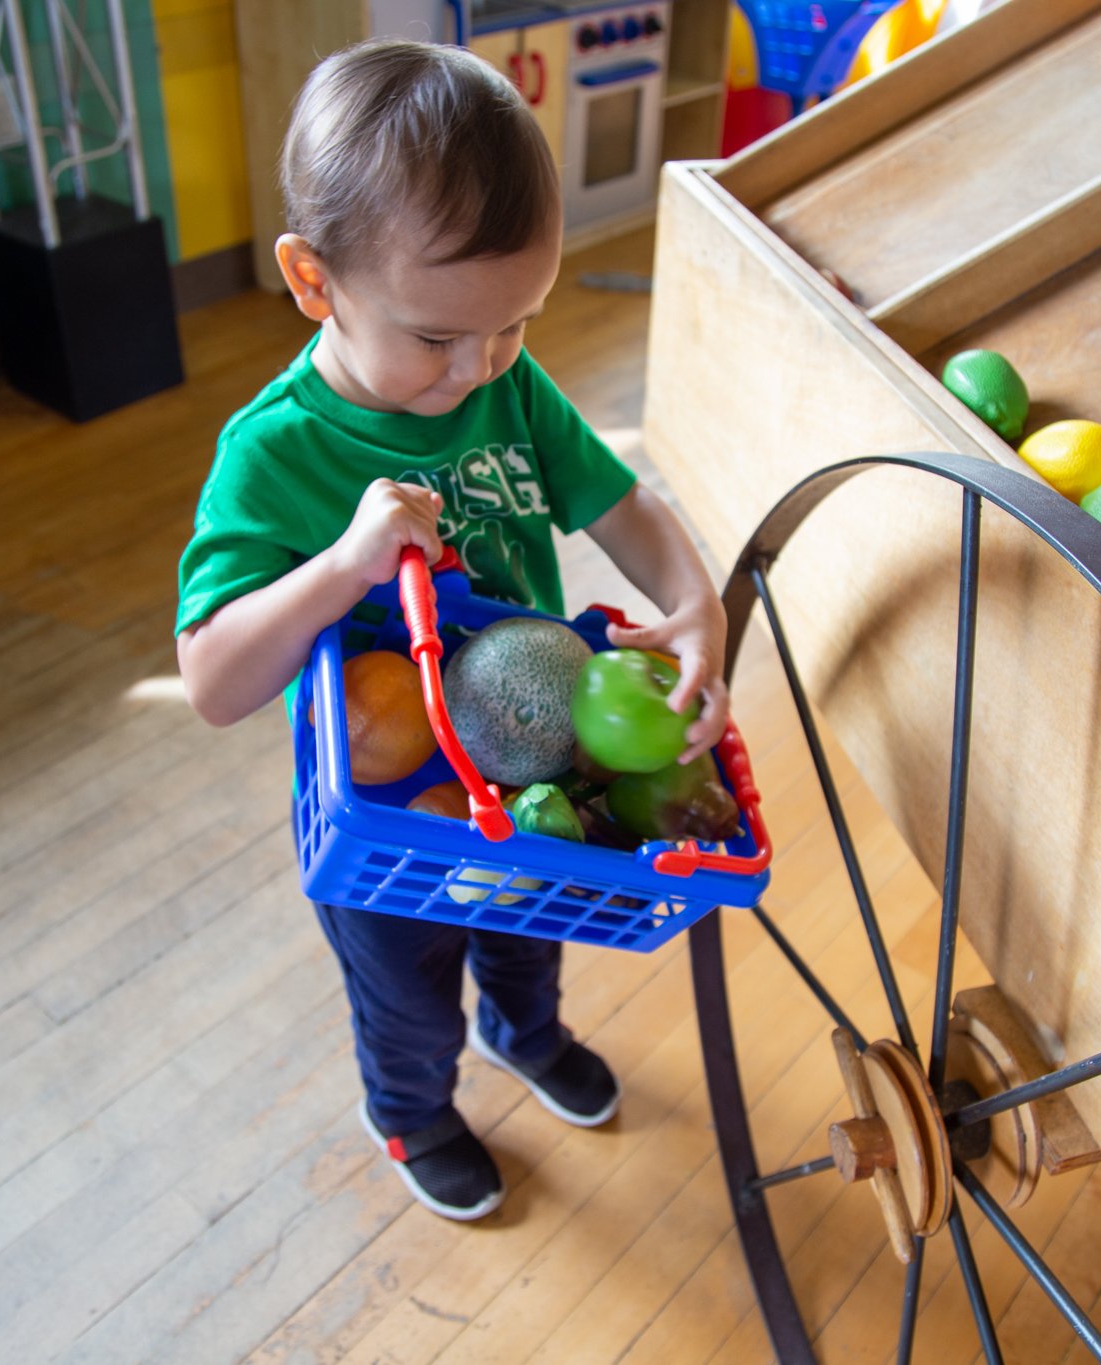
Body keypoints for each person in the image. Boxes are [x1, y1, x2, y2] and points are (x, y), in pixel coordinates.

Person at [175, 38, 728, 1221]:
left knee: (531, 928)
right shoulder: (274, 453)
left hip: (526, 760)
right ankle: (412, 1109)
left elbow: (623, 505)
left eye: (515, 323)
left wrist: (696, 606)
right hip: (384, 808)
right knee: (407, 988)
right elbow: (213, 681)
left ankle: (523, 1033)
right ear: (313, 280)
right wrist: (340, 567)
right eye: (435, 337)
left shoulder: (502, 382)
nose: (478, 367)